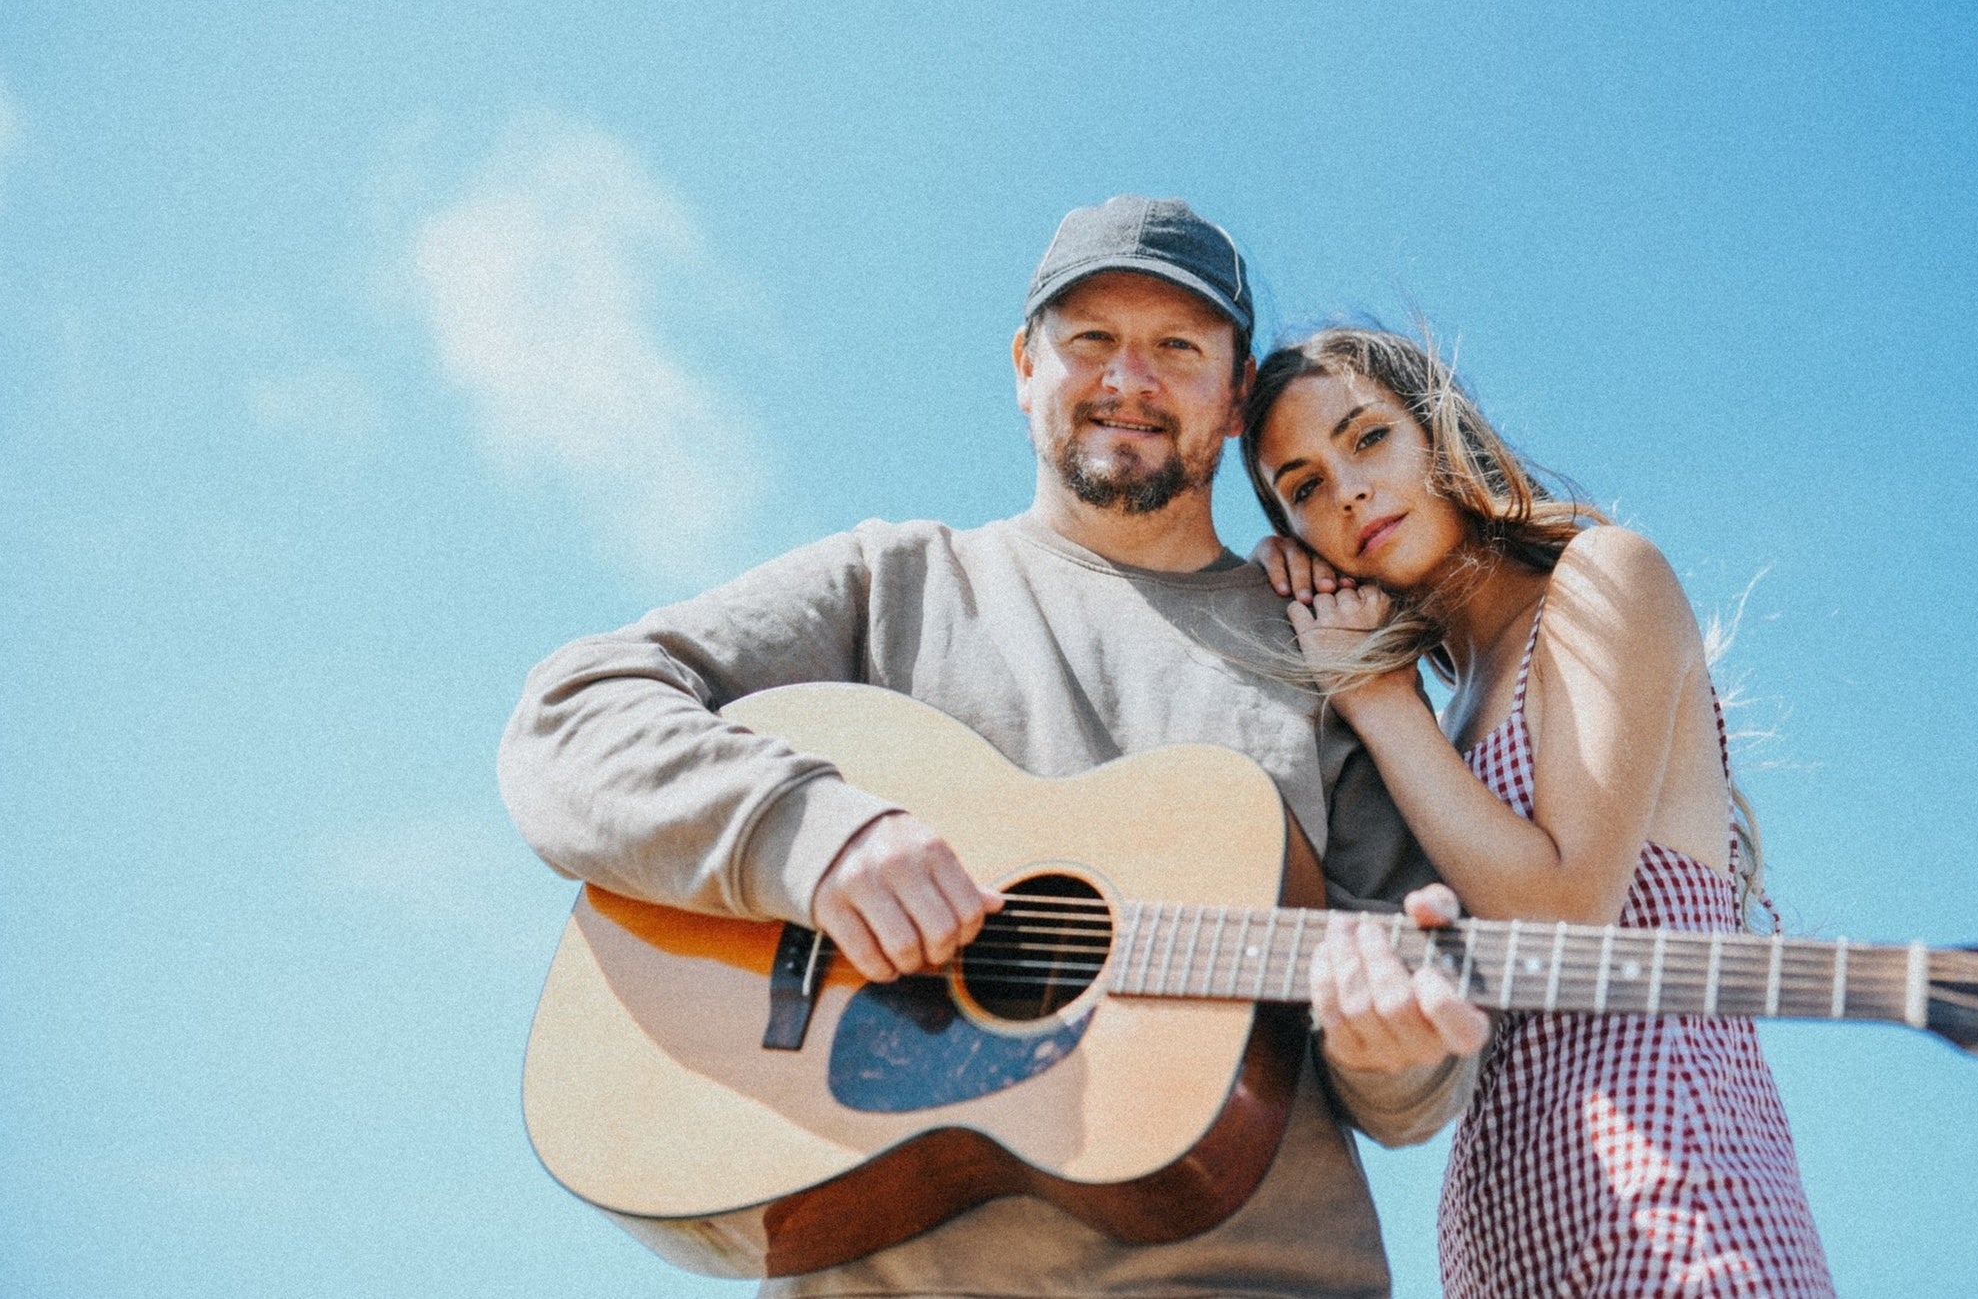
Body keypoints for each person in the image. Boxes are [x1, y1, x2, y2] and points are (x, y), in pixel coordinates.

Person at [498, 197, 1490, 1299]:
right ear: (1026, 364)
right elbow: (571, 714)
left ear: (1234, 393)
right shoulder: (893, 582)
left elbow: (1411, 1078)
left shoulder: (1330, 645)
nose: (1130, 380)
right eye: (1090, 342)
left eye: (1175, 347)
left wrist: (1394, 1047)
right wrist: (812, 837)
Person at [1242, 327, 1834, 1298]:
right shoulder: (1446, 724)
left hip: (1675, 1196)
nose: (1344, 490)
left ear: (1437, 435)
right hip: (1500, 1221)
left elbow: (1562, 921)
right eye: (1302, 487)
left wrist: (1382, 706)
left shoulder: (1603, 579)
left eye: (1367, 439)